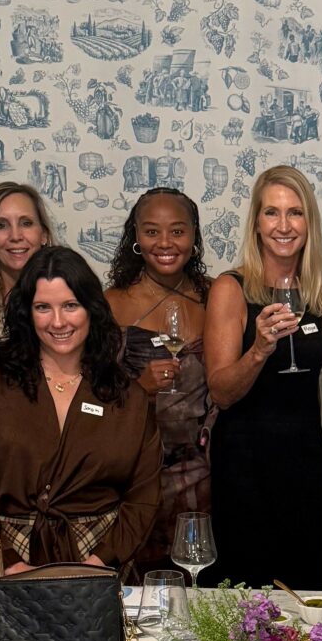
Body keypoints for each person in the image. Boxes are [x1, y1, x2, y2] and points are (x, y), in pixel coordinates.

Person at [0, 245, 161, 572]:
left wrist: (98, 564)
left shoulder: (127, 397)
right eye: (43, 307)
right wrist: (8, 562)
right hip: (0, 560)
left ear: (91, 309)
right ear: (27, 313)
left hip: (101, 564)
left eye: (70, 305)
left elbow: (144, 497)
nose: (58, 322)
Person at [205, 166, 322, 587]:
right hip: (246, 466)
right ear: (257, 224)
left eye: (295, 213)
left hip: (305, 463)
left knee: (305, 589)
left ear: (308, 223)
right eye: (272, 213)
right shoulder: (231, 288)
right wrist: (259, 349)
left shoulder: (318, 294)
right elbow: (221, 392)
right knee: (247, 592)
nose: (284, 225)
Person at [104, 189, 213, 574]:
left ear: (194, 235)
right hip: (138, 472)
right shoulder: (112, 303)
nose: (165, 243)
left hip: (205, 474)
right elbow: (90, 398)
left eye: (177, 231)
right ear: (135, 236)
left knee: (201, 581)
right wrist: (138, 388)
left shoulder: (217, 296)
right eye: (152, 232)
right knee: (142, 583)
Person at [0, 181, 55, 334]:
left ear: (44, 235)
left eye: (26, 223)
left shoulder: (70, 295)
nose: (15, 236)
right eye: (1, 225)